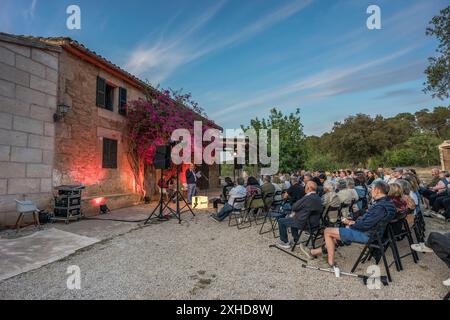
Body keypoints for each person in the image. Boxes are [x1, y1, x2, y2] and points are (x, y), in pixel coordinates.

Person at [308, 181, 396, 267]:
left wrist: (350, 224)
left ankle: (330, 262)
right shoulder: (388, 203)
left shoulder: (380, 207)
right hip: (373, 233)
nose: (371, 191)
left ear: (377, 191)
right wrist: (354, 223)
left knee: (327, 231)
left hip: (367, 235)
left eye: (372, 189)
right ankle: (314, 252)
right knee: (336, 235)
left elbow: (366, 225)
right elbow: (369, 222)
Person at [276, 181, 323, 249]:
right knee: (293, 217)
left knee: (281, 221)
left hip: (304, 223)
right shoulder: (318, 198)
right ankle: (296, 240)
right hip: (315, 223)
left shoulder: (307, 197)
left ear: (308, 188)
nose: (304, 187)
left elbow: (294, 207)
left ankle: (284, 242)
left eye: (306, 186)